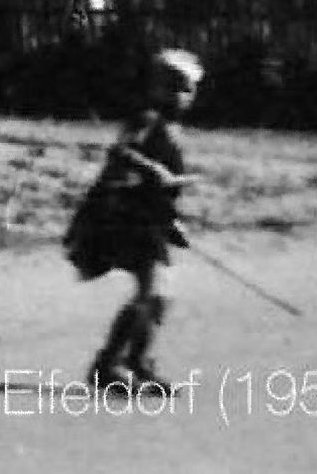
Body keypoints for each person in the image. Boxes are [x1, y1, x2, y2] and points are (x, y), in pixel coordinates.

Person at [63, 49, 205, 392]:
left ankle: (129, 360)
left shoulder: (172, 127)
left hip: (148, 218)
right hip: (123, 216)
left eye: (187, 89)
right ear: (157, 87)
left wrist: (173, 222)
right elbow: (122, 153)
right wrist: (154, 170)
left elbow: (162, 189)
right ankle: (114, 362)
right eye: (173, 87)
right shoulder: (146, 119)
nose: (181, 96)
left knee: (159, 295)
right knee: (154, 290)